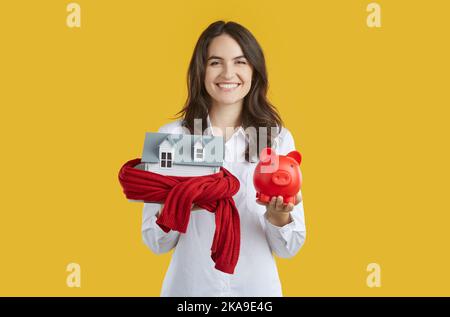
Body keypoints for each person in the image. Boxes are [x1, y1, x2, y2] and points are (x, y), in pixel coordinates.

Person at [142, 21, 306, 296]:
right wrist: (177, 204)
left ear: (254, 70)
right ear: (201, 70)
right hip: (191, 291)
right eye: (215, 62)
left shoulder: (277, 139)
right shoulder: (171, 137)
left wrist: (278, 216)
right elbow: (155, 243)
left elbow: (289, 248)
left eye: (240, 62)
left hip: (256, 293)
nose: (228, 73)